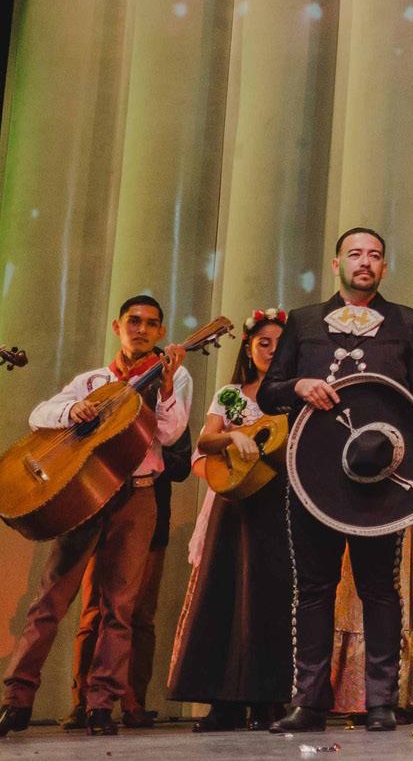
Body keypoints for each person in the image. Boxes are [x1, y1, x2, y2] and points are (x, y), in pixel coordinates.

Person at [258, 228, 413, 733]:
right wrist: (299, 385)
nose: (365, 262)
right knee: (314, 588)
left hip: (380, 481)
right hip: (313, 475)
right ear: (337, 262)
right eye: (356, 254)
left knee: (379, 587)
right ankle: (308, 702)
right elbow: (269, 393)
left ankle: (381, 701)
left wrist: (386, 431)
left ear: (384, 267)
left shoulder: (407, 322)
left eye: (375, 255)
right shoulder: (302, 321)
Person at [0, 295, 191, 737]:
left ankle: (101, 704)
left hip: (138, 496)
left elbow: (170, 434)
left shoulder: (170, 376)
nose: (141, 329)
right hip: (85, 497)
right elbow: (38, 415)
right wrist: (72, 410)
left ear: (161, 332)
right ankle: (16, 700)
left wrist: (165, 390)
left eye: (151, 324)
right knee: (49, 602)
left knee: (119, 608)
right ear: (117, 327)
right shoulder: (91, 380)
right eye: (133, 321)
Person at [167, 309, 293, 731]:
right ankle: (224, 702)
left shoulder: (295, 395)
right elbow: (205, 439)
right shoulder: (231, 394)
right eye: (263, 343)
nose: (271, 351)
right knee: (224, 592)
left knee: (272, 597)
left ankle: (270, 699)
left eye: (279, 344)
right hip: (235, 502)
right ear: (248, 348)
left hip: (279, 503)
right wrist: (234, 434)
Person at [328, 399, 413, 718]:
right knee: (364, 589)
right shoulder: (365, 394)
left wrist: (406, 454)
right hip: (367, 501)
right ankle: (364, 691)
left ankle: (410, 690)